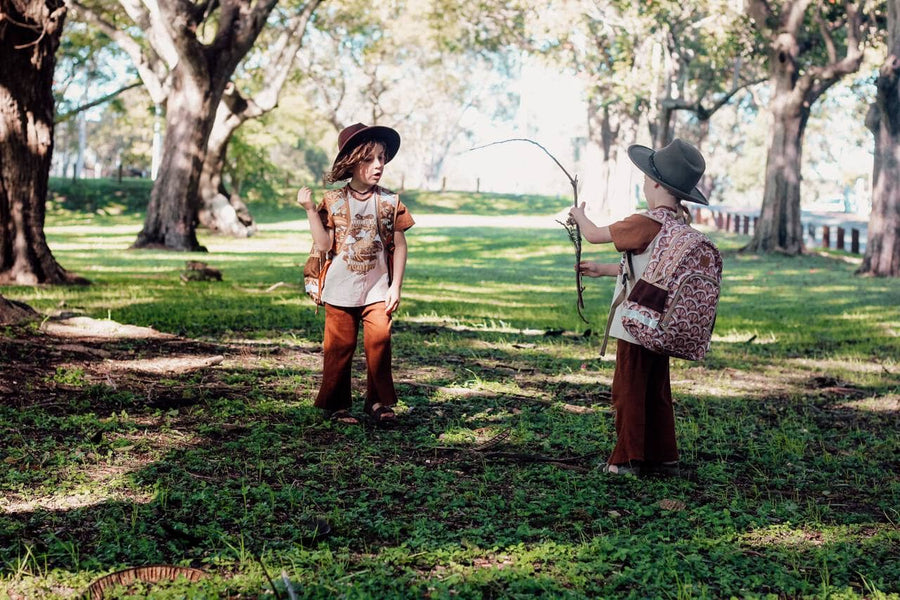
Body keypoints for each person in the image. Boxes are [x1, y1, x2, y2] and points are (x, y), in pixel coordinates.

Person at [568, 138, 709, 475]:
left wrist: (579, 216)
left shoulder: (645, 222)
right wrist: (603, 270)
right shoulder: (678, 227)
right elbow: (649, 271)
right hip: (659, 322)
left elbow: (594, 235)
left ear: (657, 185)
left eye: (646, 179)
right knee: (656, 390)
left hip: (635, 323)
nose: (645, 184)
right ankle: (663, 458)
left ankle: (627, 460)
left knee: (628, 390)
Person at [296, 123, 415, 425]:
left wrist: (396, 286)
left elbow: (400, 245)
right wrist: (310, 210)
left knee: (380, 342)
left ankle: (377, 402)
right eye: (369, 159)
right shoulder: (333, 200)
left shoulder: (390, 202)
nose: (378, 165)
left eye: (381, 158)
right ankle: (337, 405)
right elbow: (324, 245)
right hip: (340, 288)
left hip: (378, 289)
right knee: (339, 347)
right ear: (351, 162)